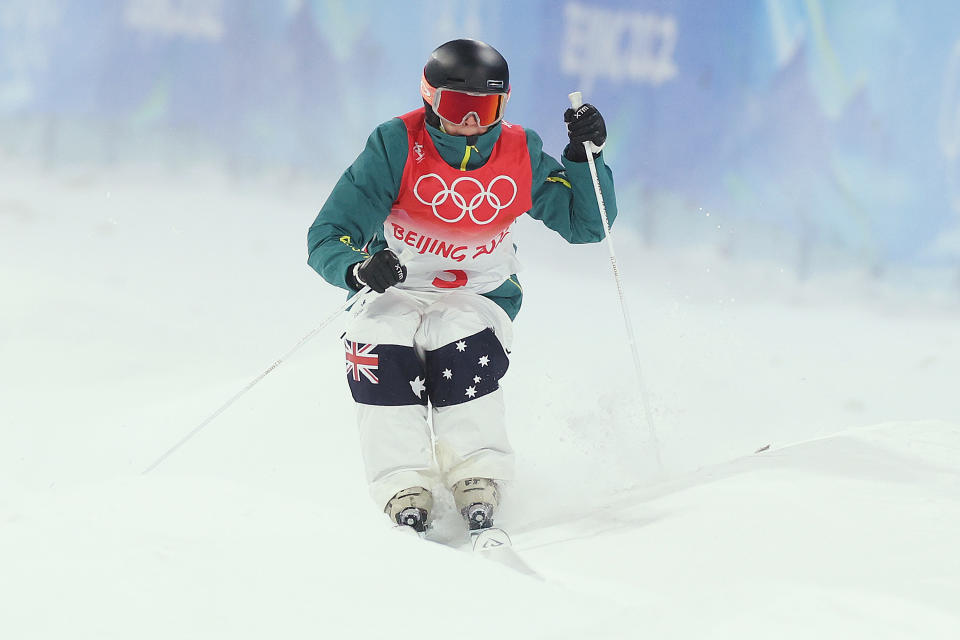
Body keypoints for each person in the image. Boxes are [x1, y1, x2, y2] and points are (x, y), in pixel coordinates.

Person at [307, 38, 616, 535]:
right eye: (457, 106)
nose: (471, 122)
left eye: (485, 108)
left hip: (478, 293)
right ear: (431, 97)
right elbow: (328, 233)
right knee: (378, 347)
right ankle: (403, 484)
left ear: (504, 104)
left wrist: (586, 159)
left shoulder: (518, 150)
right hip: (397, 289)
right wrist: (358, 268)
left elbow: (588, 225)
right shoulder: (396, 144)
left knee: (459, 343)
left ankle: (478, 474)